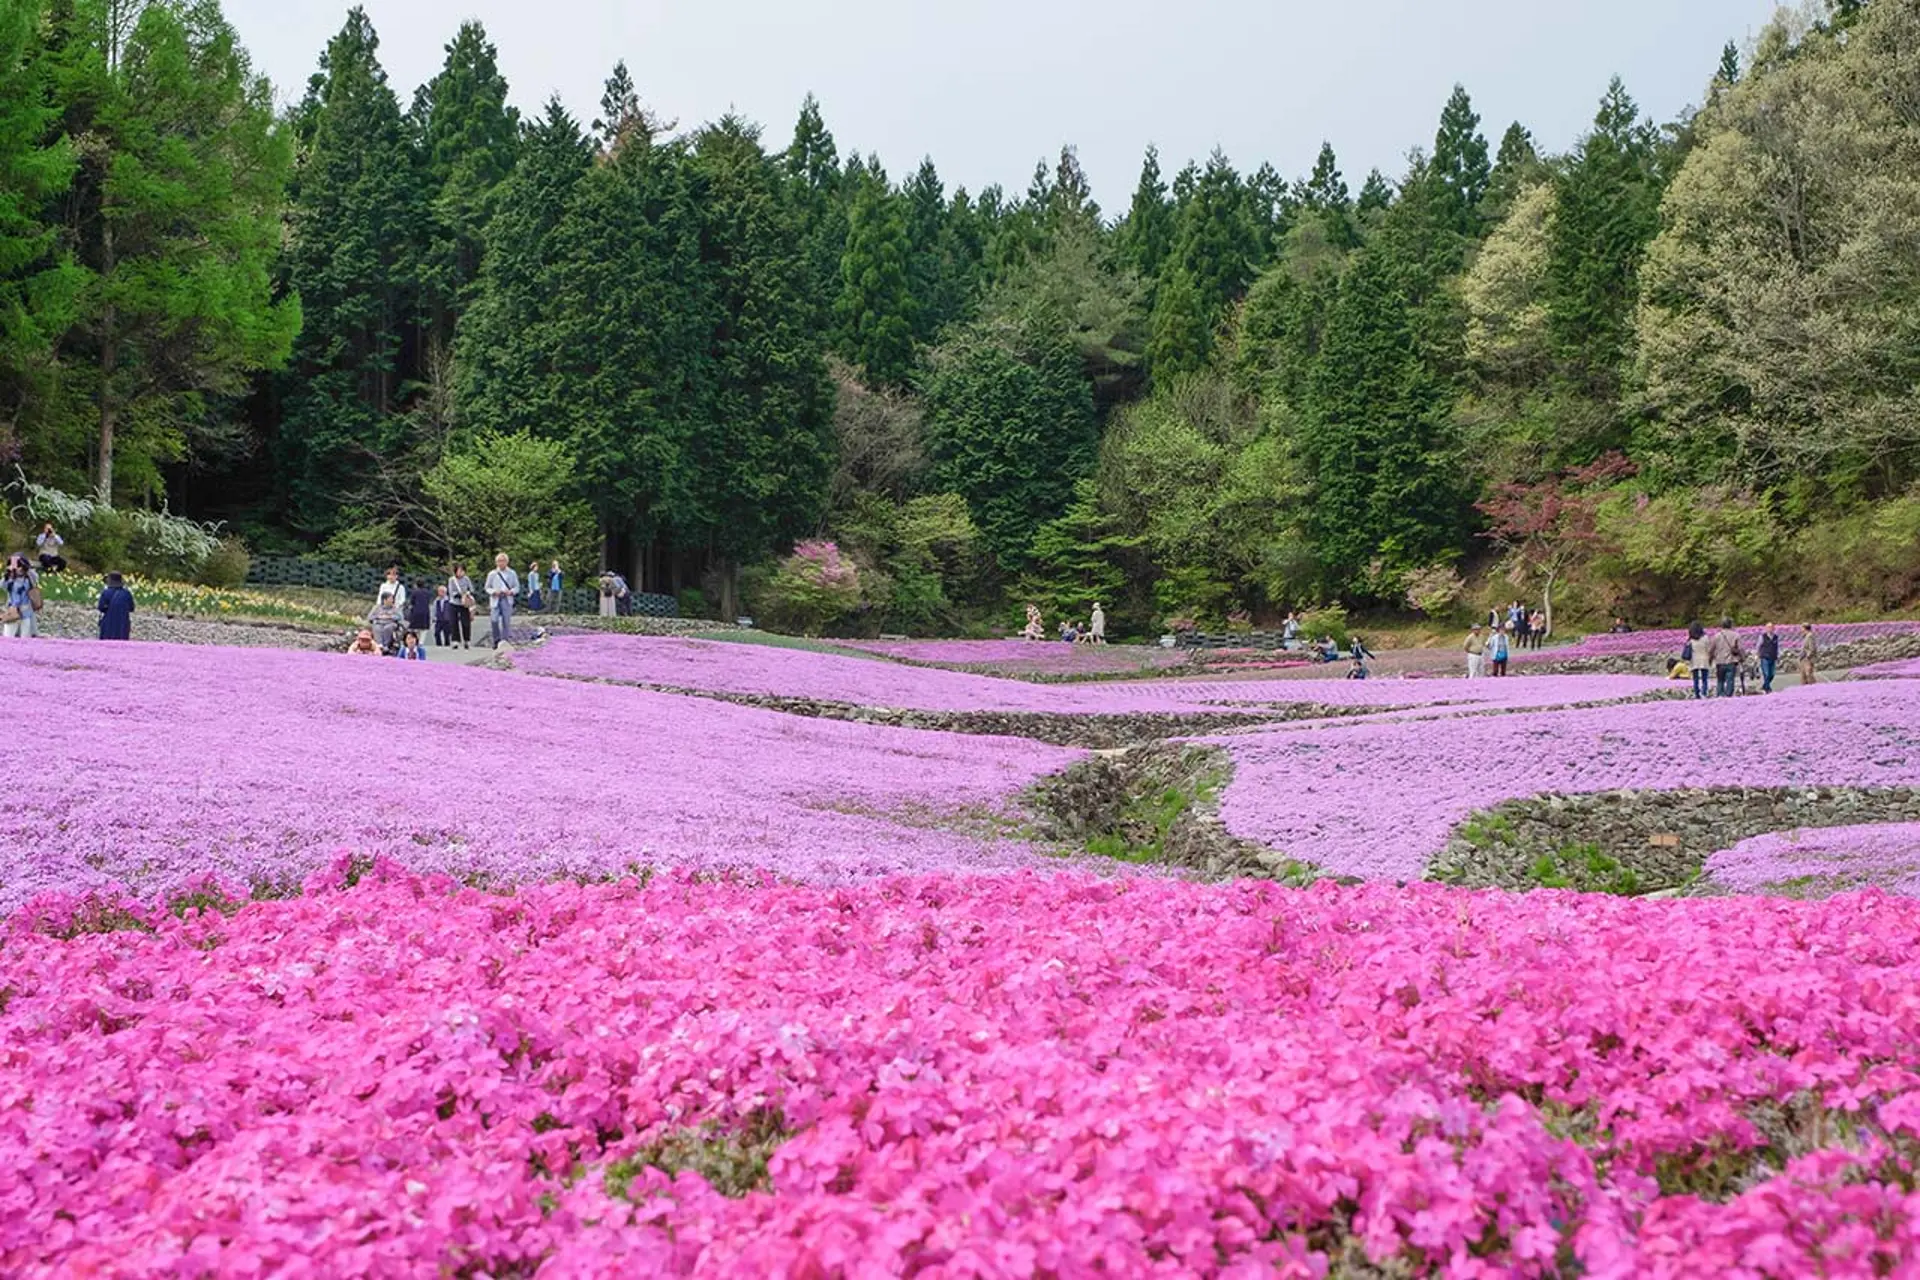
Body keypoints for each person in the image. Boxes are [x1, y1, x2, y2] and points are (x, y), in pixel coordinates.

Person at [485, 553, 519, 647]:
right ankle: (496, 640)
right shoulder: (492, 574)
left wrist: (511, 592)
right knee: (494, 620)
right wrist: (493, 592)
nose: (501, 563)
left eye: (503, 561)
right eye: (499, 561)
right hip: (496, 598)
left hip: (507, 598)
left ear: (507, 562)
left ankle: (505, 641)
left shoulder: (512, 573)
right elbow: (487, 587)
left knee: (506, 621)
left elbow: (517, 587)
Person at [2, 555, 38, 638]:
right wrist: (8, 573)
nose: (18, 568)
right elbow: (2, 585)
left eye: (20, 566)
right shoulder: (10, 580)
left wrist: (26, 567)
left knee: (25, 636)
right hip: (12, 611)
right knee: (8, 636)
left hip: (25, 611)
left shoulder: (28, 578)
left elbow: (35, 579)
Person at [1709, 617, 1742, 698]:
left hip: (1719, 662)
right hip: (1731, 661)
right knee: (1730, 681)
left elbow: (1711, 649)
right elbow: (1740, 648)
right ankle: (1728, 696)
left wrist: (1710, 659)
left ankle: (1720, 695)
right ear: (1730, 625)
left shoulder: (1717, 636)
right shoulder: (1736, 635)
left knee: (1720, 680)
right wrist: (1742, 658)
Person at [97, 571, 134, 640]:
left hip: (108, 622)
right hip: (123, 622)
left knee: (106, 643)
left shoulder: (106, 593)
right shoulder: (127, 593)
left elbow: (100, 607)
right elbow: (131, 608)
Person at [446, 564, 476, 649]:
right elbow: (451, 592)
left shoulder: (466, 579)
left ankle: (467, 640)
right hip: (454, 603)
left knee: (465, 622)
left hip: (465, 604)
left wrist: (467, 594)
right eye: (459, 571)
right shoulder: (452, 580)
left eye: (462, 571)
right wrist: (460, 595)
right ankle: (455, 641)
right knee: (453, 622)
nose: (460, 573)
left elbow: (471, 589)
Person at [1686, 622, 1711, 699]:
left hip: (1694, 661)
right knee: (1704, 679)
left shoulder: (1690, 639)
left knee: (1695, 679)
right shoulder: (1705, 638)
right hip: (1704, 660)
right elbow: (1709, 649)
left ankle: (1697, 694)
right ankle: (1704, 692)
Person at [1757, 623, 1781, 694]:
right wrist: (1758, 654)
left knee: (1772, 674)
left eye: (1771, 627)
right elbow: (1758, 646)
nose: (1770, 629)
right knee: (1766, 674)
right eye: (1768, 627)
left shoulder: (1776, 637)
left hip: (1773, 657)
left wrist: (1778, 655)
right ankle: (1768, 689)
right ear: (1766, 628)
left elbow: (1777, 647)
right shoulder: (1762, 636)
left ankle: (1765, 686)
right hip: (1764, 657)